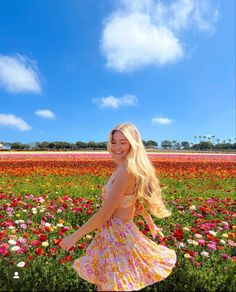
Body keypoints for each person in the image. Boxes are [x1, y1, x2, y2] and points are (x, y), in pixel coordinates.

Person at [59, 122, 177, 291]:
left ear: (133, 143)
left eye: (123, 141)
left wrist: (74, 237)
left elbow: (104, 215)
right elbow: (133, 202)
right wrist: (151, 223)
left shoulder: (126, 171)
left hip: (117, 240)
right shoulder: (126, 168)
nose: (117, 146)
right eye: (114, 142)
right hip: (115, 236)